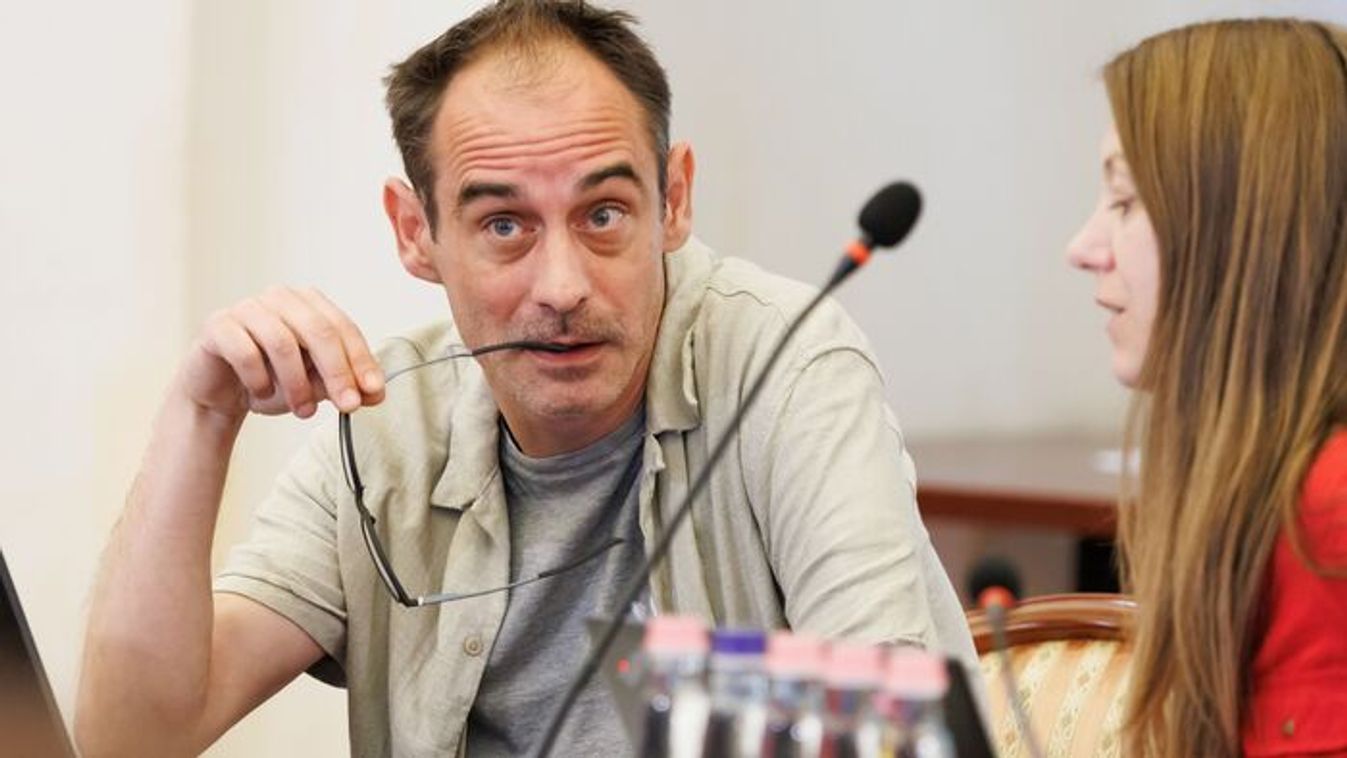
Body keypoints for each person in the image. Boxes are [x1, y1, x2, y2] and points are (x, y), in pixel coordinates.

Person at [74, 1, 975, 755]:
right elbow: (129, 738)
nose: (563, 288)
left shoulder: (788, 364)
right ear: (415, 233)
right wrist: (200, 414)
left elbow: (900, 737)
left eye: (603, 214)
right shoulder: (390, 421)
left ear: (674, 201)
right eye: (504, 225)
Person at [1068, 18, 1347, 757]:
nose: (1082, 248)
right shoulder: (1268, 481)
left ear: (1239, 226)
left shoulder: (1328, 510)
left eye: (1124, 202)